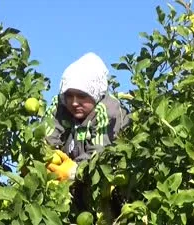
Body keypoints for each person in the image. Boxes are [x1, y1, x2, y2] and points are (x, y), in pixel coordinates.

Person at [44, 52, 131, 181]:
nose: (74, 102)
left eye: (81, 96)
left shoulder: (108, 111)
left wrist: (73, 171)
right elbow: (46, 139)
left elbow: (100, 155)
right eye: (69, 95)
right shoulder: (60, 106)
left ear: (94, 94)